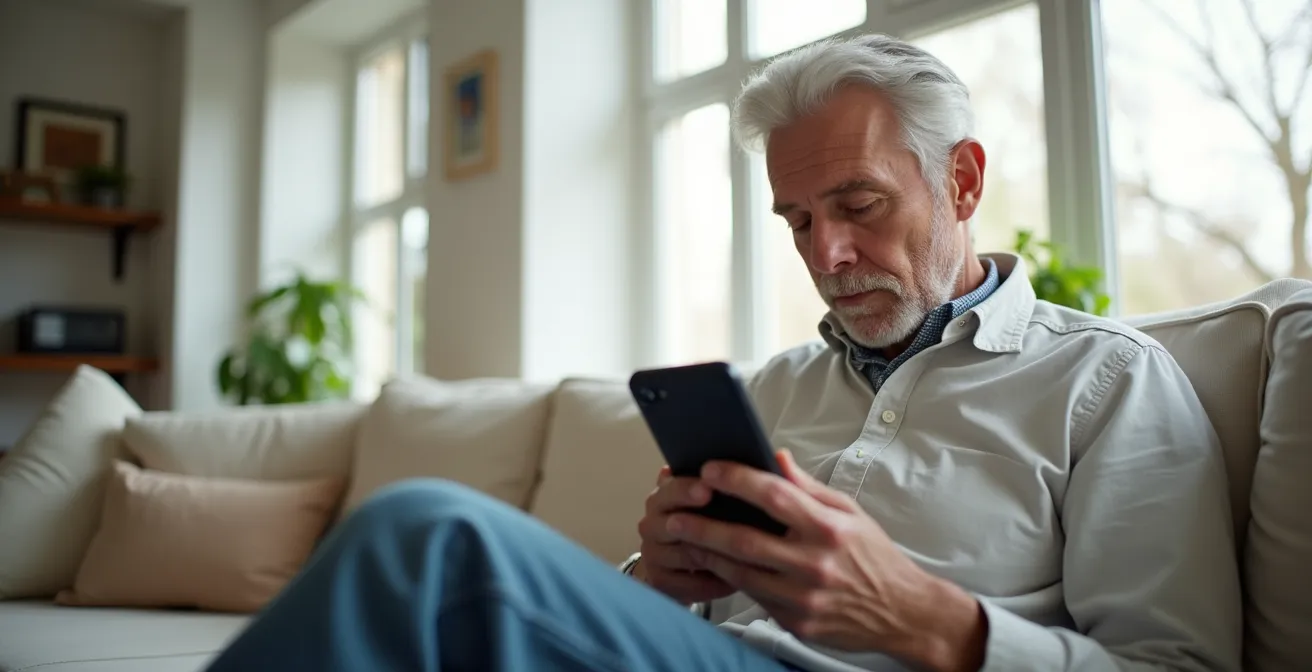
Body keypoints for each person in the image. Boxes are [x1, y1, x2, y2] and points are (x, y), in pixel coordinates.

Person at [207, 34, 1241, 672]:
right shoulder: (777, 386)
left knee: (427, 537)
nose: (825, 255)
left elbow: (1177, 665)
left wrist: (925, 620)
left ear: (962, 182)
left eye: (859, 204)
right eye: (798, 220)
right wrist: (656, 579)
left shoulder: (1106, 381)